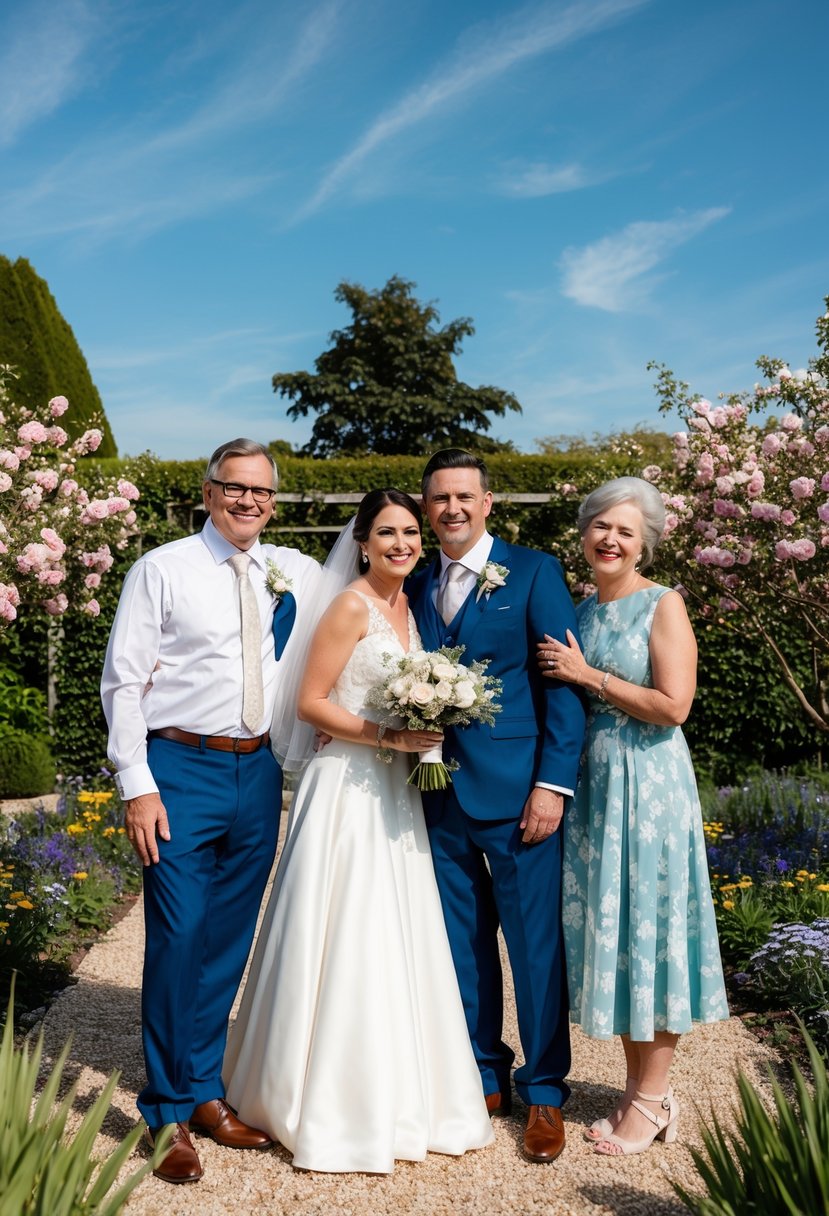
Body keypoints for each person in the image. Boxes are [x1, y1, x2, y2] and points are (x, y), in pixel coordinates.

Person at [222, 489, 494, 1174]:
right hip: (346, 783)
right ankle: (323, 1098)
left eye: (409, 532)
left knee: (396, 928)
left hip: (396, 792)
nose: (401, 543)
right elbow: (312, 702)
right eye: (385, 533)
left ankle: (404, 1090)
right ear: (362, 542)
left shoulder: (412, 607)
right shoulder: (349, 605)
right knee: (342, 924)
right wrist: (385, 733)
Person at [101, 438, 320, 1185]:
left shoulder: (282, 571)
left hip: (255, 772)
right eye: (235, 488)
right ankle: (163, 1110)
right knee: (178, 934)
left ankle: (202, 1090)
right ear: (208, 491)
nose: (248, 501)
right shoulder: (161, 568)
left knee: (228, 938)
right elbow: (123, 681)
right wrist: (138, 783)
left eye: (261, 492)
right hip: (179, 769)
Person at [537, 476, 729, 1157]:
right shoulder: (581, 613)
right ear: (583, 535)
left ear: (643, 540)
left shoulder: (662, 604)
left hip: (646, 790)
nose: (610, 539)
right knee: (618, 937)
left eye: (624, 530)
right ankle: (636, 1092)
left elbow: (674, 705)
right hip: (595, 791)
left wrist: (588, 677)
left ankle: (651, 1099)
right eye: (600, 527)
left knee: (649, 932)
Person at [406, 449, 586, 1164]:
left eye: (463, 497)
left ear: (487, 503)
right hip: (435, 792)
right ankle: (485, 1073)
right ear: (427, 509)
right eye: (439, 498)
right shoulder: (415, 578)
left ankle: (544, 1092)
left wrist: (552, 783)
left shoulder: (534, 571)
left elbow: (560, 689)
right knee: (461, 946)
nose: (451, 508)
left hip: (519, 796)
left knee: (534, 948)